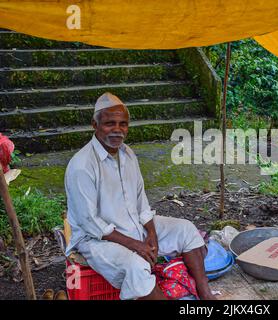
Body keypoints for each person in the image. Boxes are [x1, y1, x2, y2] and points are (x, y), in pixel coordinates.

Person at [64, 92, 216, 300]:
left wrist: (151, 233)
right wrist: (136, 245)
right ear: (95, 124)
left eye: (123, 124)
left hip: (132, 225)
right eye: (110, 123)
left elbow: (141, 201)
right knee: (136, 266)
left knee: (186, 229)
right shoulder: (82, 165)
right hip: (96, 240)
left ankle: (206, 294)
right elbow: (91, 223)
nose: (117, 130)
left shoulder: (128, 154)